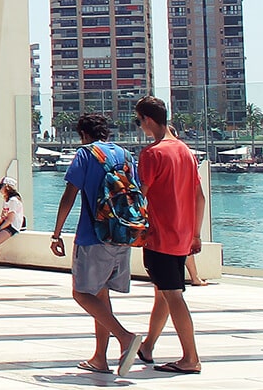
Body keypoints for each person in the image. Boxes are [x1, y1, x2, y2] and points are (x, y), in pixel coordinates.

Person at [51, 113, 145, 378]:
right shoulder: (126, 155)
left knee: (81, 294)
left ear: (83, 134)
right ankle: (99, 359)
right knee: (101, 296)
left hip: (93, 236)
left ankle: (125, 338)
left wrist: (57, 233)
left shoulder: (85, 154)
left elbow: (70, 194)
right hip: (121, 234)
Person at [133, 97, 204, 375]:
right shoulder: (186, 151)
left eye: (139, 121)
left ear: (148, 120)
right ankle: (148, 346)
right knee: (163, 293)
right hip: (183, 236)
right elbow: (199, 197)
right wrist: (196, 234)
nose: (140, 126)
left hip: (160, 235)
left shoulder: (152, 154)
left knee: (172, 295)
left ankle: (190, 358)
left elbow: (141, 197)